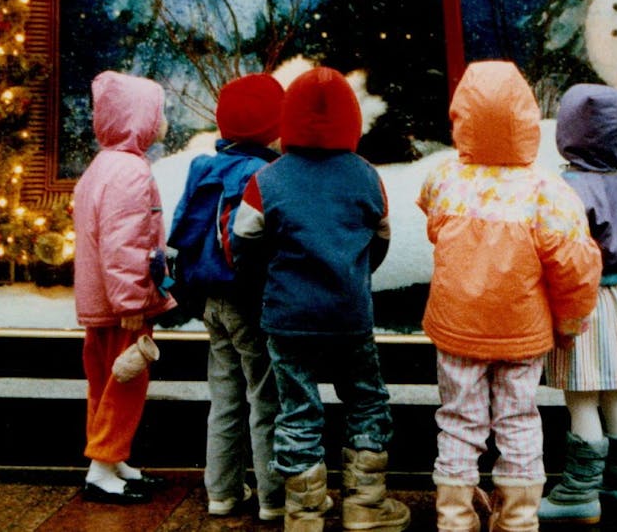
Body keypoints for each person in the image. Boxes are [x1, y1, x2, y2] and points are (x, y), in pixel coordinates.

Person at [418, 61, 602, 532]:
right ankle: (518, 520)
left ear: (463, 118)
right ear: (526, 119)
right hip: (523, 334)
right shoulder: (548, 192)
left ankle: (455, 519)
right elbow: (576, 269)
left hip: (457, 329)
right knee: (519, 418)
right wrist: (569, 324)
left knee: (459, 420)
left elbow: (434, 225)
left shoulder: (445, 179)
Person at [230, 66, 410, 532]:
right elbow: (381, 241)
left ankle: (304, 513)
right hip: (350, 316)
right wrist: (352, 275)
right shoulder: (367, 178)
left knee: (298, 409)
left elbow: (243, 245)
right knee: (367, 400)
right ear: (351, 121)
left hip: (288, 318)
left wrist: (270, 283)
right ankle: (366, 506)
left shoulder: (267, 181)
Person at [168, 73, 286, 519]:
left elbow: (183, 230)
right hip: (249, 299)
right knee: (265, 396)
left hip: (209, 300)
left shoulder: (203, 168)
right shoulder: (265, 173)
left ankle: (221, 491)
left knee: (225, 397)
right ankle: (274, 495)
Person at [538, 84, 617, 524]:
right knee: (615, 393)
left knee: (581, 397)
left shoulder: (565, 188)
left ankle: (580, 492)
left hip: (580, 302)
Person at [73, 70, 178, 505]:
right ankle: (102, 464)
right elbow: (125, 244)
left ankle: (112, 460)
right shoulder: (131, 172)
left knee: (103, 380)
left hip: (102, 301)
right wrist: (133, 301)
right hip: (124, 305)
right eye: (157, 113)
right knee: (126, 381)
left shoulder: (101, 168)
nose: (162, 122)